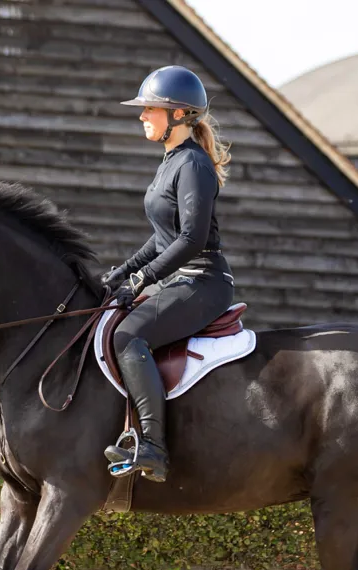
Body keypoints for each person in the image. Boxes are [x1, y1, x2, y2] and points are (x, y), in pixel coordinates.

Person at [101, 65, 234, 483]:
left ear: (177, 114)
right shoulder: (171, 161)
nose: (141, 115)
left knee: (127, 335)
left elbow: (192, 240)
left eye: (149, 109)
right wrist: (119, 274)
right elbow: (162, 239)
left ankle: (153, 448)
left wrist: (141, 282)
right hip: (178, 277)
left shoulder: (193, 164)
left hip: (203, 281)